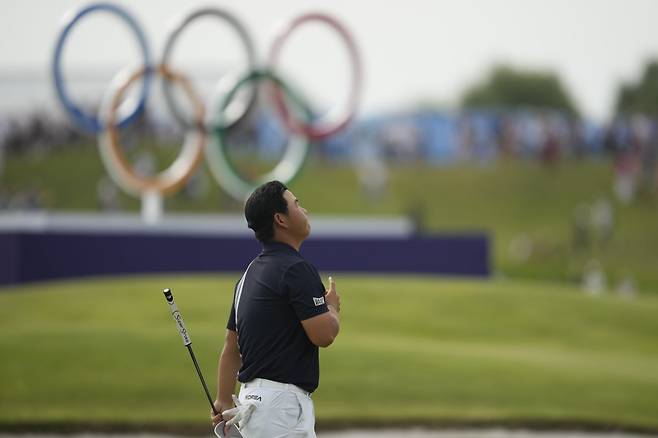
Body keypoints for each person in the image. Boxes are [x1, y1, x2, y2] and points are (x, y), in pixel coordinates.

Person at [211, 180, 341, 438]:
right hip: (281, 410)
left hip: (252, 406)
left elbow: (231, 346)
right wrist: (333, 308)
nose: (304, 211)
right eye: (297, 204)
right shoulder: (296, 268)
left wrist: (223, 399)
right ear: (280, 219)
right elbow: (324, 335)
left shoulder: (248, 274)